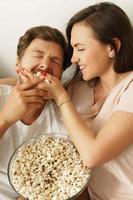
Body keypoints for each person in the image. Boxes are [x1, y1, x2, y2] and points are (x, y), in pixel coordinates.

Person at [31, 2, 133, 200]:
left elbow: (92, 155)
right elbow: (33, 83)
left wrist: (61, 97)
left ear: (113, 47)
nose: (74, 59)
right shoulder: (79, 87)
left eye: (80, 48)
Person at [0, 25, 72, 200]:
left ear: (61, 74)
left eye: (55, 61)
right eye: (38, 55)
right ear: (18, 62)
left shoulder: (64, 121)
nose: (45, 65)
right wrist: (5, 119)